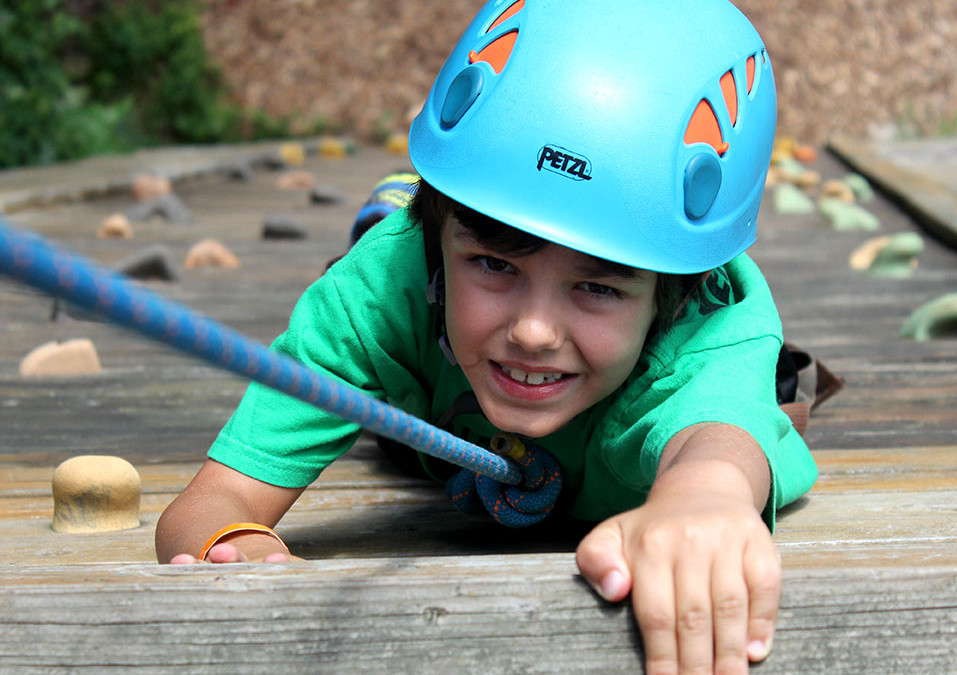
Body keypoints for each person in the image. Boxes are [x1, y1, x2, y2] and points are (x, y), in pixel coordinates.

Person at [156, 1, 824, 673]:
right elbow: (212, 500)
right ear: (441, 240)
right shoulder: (382, 291)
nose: (534, 331)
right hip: (420, 356)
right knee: (378, 252)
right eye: (495, 264)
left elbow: (715, 446)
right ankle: (398, 207)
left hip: (470, 357)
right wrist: (234, 542)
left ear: (670, 297)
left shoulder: (710, 325)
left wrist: (703, 499)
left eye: (598, 286)